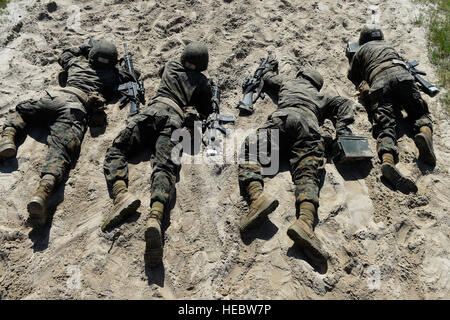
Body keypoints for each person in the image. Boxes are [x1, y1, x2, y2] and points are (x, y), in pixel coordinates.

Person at [102, 41, 213, 267]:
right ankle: (155, 215)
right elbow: (207, 107)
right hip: (174, 120)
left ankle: (121, 193)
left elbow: (164, 72)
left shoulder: (172, 65)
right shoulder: (202, 81)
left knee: (118, 149)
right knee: (164, 167)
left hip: (151, 112)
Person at [0, 39, 128, 228]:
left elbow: (64, 55)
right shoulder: (112, 75)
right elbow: (130, 76)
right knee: (60, 151)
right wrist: (118, 65)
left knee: (22, 110)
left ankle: (8, 137)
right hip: (74, 108)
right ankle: (43, 191)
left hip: (54, 98)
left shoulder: (77, 63)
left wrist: (84, 47)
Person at [238, 57, 356, 262]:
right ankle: (305, 222)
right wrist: (342, 129)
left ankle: (257, 197)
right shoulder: (322, 97)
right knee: (308, 173)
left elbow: (266, 78)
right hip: (309, 127)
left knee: (252, 150)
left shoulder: (288, 82)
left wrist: (269, 68)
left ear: (301, 77)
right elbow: (344, 104)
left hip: (283, 118)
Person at [347, 25, 436, 194]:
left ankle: (388, 160)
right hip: (403, 76)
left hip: (379, 81)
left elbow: (353, 76)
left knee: (385, 126)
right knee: (420, 113)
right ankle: (425, 134)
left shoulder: (360, 51)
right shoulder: (389, 46)